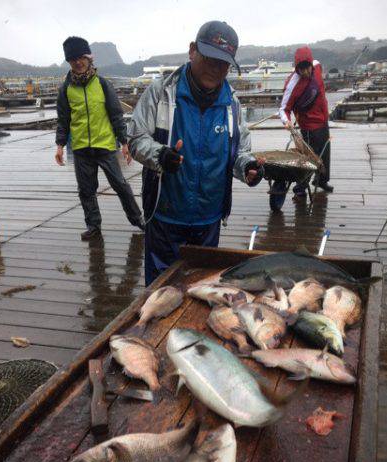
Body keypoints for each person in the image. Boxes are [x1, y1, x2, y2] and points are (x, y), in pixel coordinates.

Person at [127, 21, 264, 285]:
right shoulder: (161, 92)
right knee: (160, 289)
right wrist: (160, 156)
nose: (215, 68)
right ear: (192, 51)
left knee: (201, 288)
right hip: (166, 214)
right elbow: (135, 138)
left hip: (208, 219)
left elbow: (239, 151)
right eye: (210, 58)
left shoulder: (232, 104)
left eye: (223, 63)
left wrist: (248, 168)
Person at [55, 36, 144, 240]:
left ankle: (138, 220)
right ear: (69, 62)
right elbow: (63, 120)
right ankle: (93, 227)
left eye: (81, 57)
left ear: (89, 58)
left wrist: (124, 142)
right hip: (80, 149)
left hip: (104, 146)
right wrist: (60, 145)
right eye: (72, 59)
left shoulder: (103, 84)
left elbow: (116, 115)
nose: (77, 62)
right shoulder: (66, 89)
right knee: (86, 191)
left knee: (121, 185)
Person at [270, 46, 331, 211]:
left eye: (307, 67)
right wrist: (286, 122)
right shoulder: (292, 84)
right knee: (309, 159)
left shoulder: (317, 66)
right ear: (296, 68)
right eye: (301, 69)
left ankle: (322, 180)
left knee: (325, 153)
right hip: (308, 125)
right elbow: (283, 109)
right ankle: (300, 188)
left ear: (311, 64)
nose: (305, 72)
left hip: (323, 120)